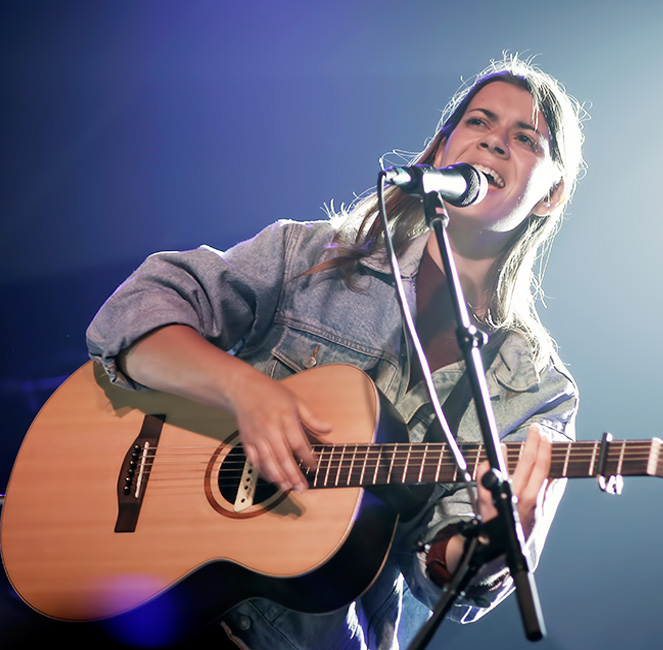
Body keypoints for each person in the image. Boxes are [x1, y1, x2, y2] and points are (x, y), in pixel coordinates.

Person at [86, 54, 586, 649]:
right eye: (479, 122)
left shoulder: (535, 392)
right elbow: (135, 310)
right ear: (438, 151)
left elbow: (446, 576)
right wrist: (245, 392)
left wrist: (495, 542)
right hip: (136, 587)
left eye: (524, 137)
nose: (494, 143)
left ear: (551, 194)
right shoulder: (311, 256)